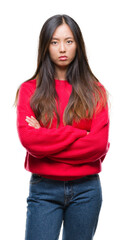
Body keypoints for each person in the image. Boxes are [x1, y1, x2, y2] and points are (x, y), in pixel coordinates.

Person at [14, 14, 110, 240]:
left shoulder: (95, 91)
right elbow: (30, 141)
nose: (62, 48)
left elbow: (96, 145)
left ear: (78, 44)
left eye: (69, 41)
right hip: (44, 189)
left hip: (87, 190)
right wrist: (77, 133)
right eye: (54, 42)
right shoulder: (30, 90)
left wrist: (46, 141)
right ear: (45, 46)